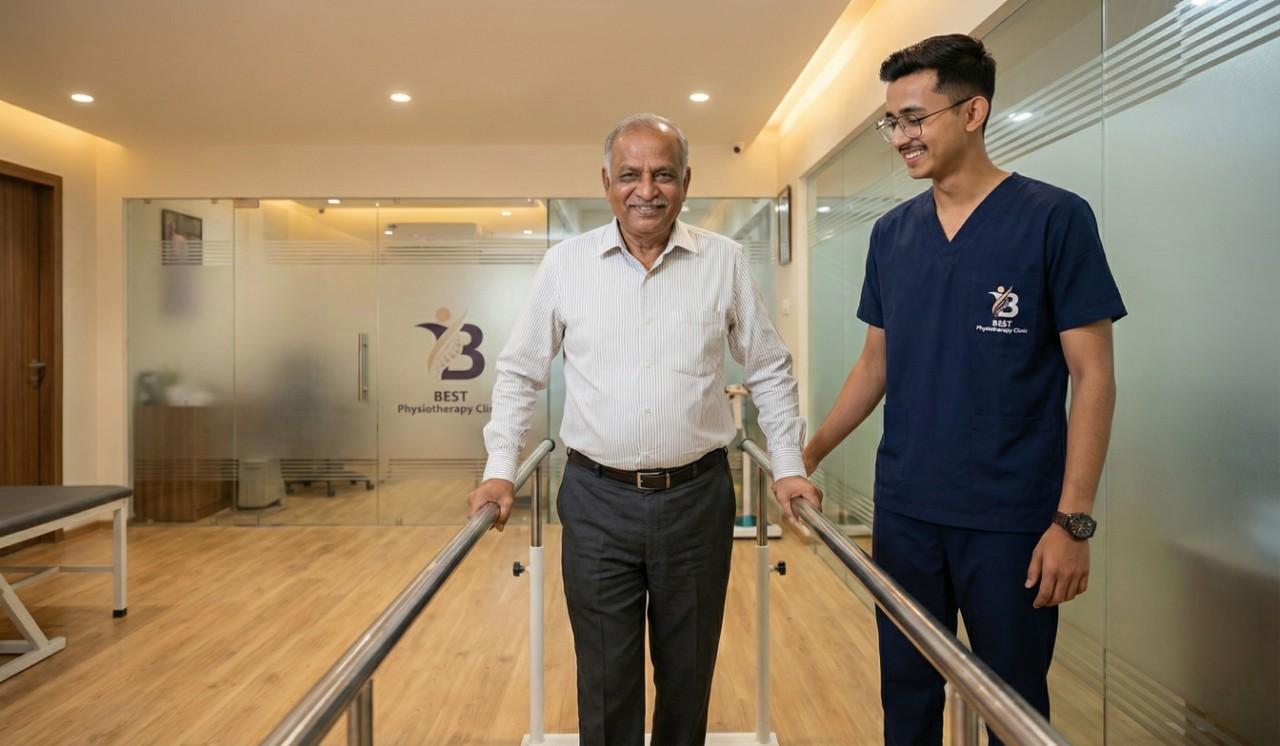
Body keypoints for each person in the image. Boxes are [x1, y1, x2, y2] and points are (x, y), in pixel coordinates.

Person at [802, 35, 1126, 745]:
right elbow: (874, 367)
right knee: (907, 699)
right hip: (908, 510)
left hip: (1011, 518)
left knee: (1011, 706)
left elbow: (1093, 376)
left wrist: (1073, 523)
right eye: (893, 122)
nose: (900, 138)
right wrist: (810, 452)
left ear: (973, 111)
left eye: (914, 119)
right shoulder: (892, 235)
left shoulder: (1053, 218)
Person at [468, 112, 821, 746]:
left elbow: (767, 368)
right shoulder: (565, 264)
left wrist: (789, 465)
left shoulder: (726, 262)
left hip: (696, 498)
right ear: (606, 182)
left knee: (688, 673)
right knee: (605, 677)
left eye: (662, 174)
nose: (646, 189)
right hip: (597, 499)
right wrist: (500, 471)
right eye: (629, 175)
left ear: (686, 180)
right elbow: (521, 373)